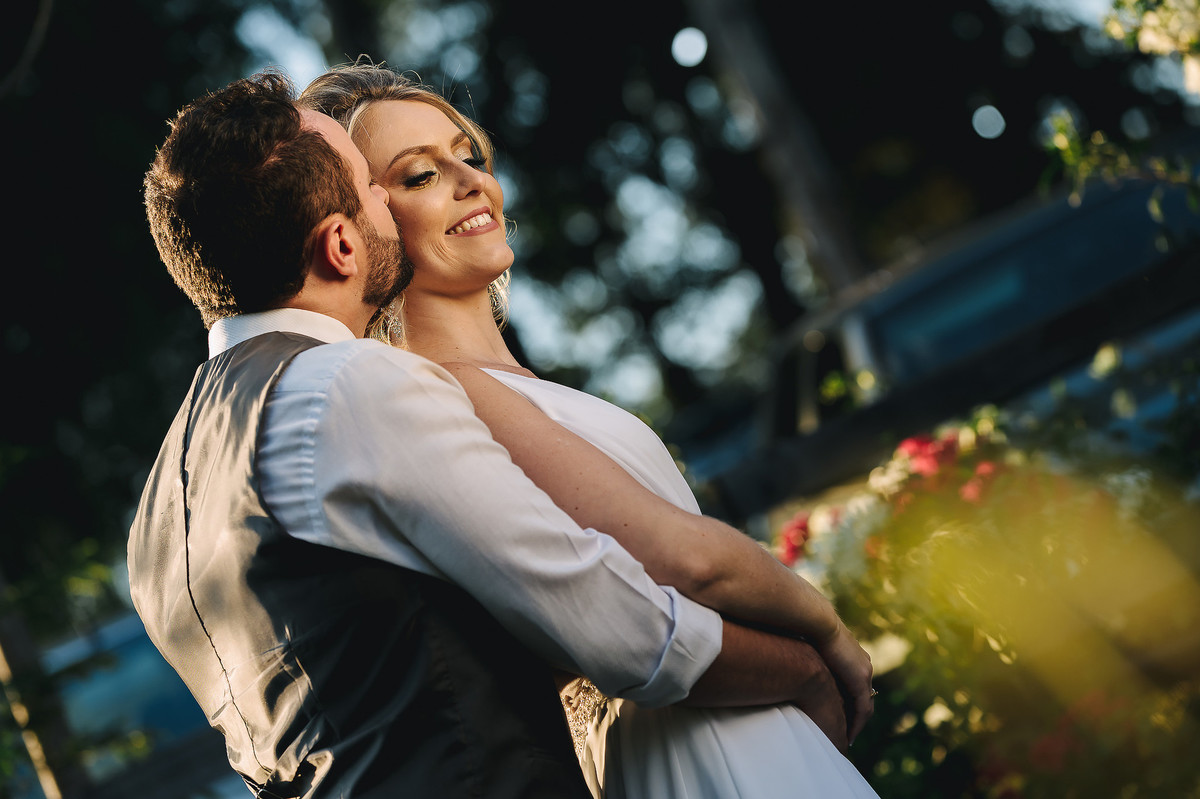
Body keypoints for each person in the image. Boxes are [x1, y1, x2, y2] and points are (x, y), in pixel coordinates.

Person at [130, 69, 859, 799]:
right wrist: (806, 664)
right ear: (341, 247)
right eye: (379, 186)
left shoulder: (158, 515)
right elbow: (621, 622)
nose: (397, 196)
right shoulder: (345, 385)